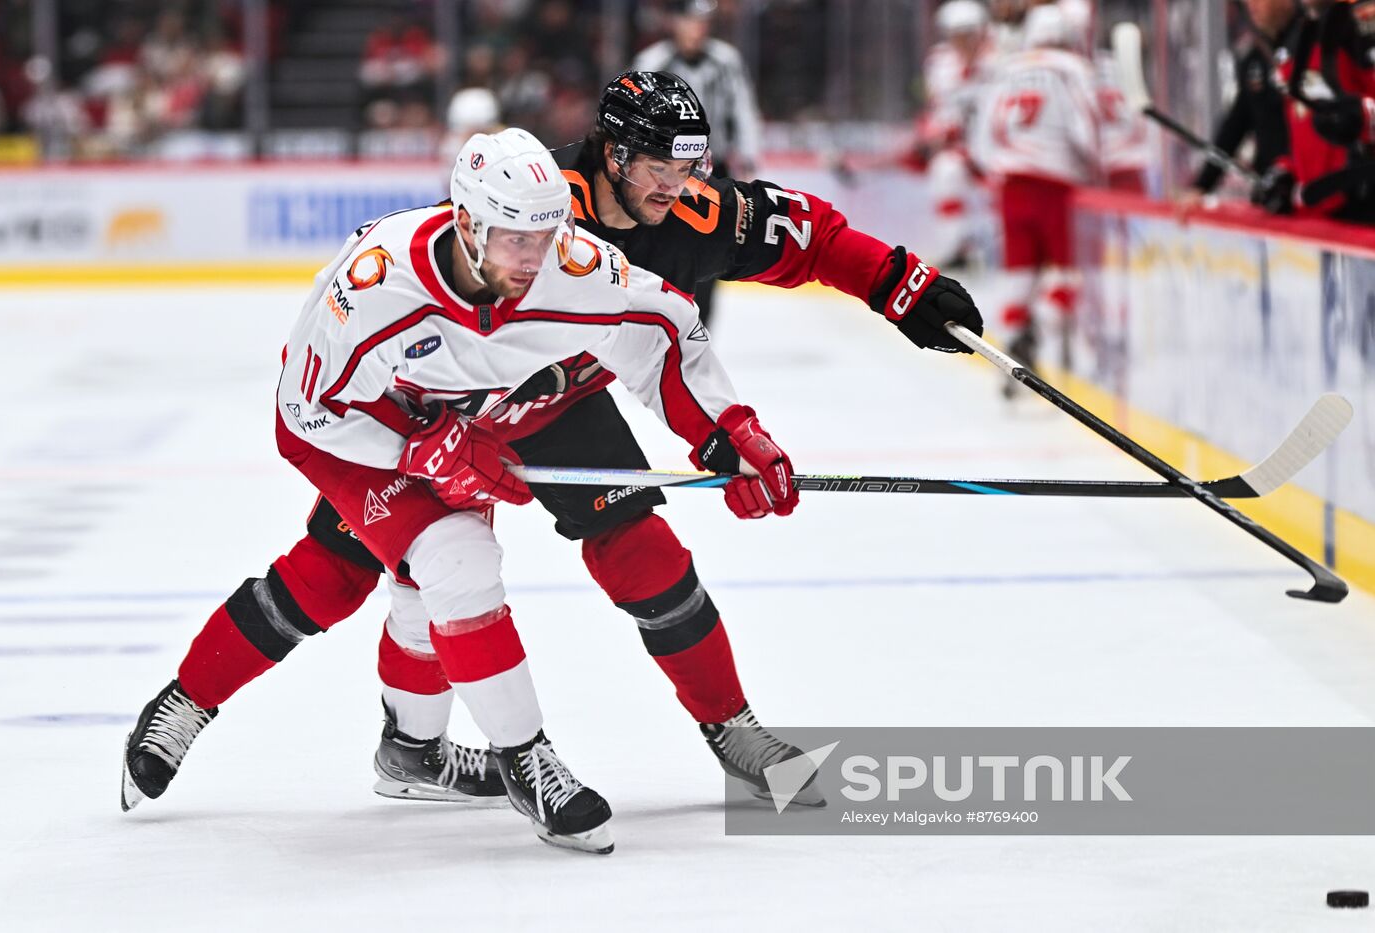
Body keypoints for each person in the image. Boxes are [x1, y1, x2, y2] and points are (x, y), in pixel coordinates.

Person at [121, 72, 984, 820]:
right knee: (338, 571)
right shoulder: (533, 217)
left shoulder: (686, 209)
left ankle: (733, 727)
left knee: (642, 549)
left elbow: (795, 240)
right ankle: (189, 704)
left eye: (691, 169)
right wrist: (424, 444)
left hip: (556, 398)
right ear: (612, 155)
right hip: (442, 402)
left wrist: (895, 288)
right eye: (661, 169)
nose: (680, 187)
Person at [970, 3, 1102, 394]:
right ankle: (1054, 355)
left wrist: (997, 170)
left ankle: (1007, 359)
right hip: (1055, 184)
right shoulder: (1074, 69)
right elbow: (1085, 129)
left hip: (1010, 185)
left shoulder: (1007, 68)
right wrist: (1092, 171)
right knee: (1062, 273)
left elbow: (983, 133)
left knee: (1018, 275)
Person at [632, 0, 761, 328]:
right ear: (674, 23)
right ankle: (661, 324)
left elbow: (743, 108)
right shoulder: (653, 62)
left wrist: (747, 154)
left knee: (710, 248)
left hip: (713, 171)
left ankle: (700, 329)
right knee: (662, 247)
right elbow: (635, 115)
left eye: (701, 21)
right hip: (665, 171)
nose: (695, 29)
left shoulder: (725, 60)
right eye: (689, 21)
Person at [1252, 0, 1375, 220]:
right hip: (1324, 210)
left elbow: (1363, 111)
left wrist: (1367, 118)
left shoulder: (1363, 23)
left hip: (1362, 207)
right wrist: (1287, 172)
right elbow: (1300, 127)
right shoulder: (1300, 34)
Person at [1176, 0, 1295, 215]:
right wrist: (1202, 186)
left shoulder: (1312, 46)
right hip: (1273, 200)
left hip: (1316, 201)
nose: (1251, 5)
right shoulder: (1255, 58)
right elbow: (1235, 125)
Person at [910, 0, 996, 268]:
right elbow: (937, 108)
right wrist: (932, 132)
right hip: (959, 147)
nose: (962, 41)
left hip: (994, 144)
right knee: (946, 173)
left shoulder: (998, 59)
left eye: (968, 33)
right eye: (956, 34)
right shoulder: (939, 63)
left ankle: (996, 248)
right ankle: (954, 248)